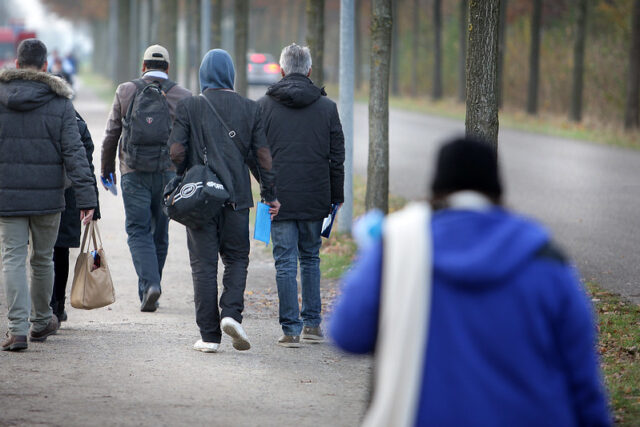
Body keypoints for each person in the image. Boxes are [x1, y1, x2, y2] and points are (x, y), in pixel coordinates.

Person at [330, 138, 611, 426]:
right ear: (497, 188)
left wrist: (369, 260)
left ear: (436, 189)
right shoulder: (546, 259)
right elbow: (583, 381)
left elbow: (347, 333)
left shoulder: (399, 246)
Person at [169, 49, 279, 353]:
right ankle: (231, 314)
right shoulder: (250, 108)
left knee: (203, 266)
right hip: (237, 200)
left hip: (201, 202)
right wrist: (270, 194)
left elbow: (177, 151)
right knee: (236, 259)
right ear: (231, 74)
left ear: (204, 75)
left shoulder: (190, 106)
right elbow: (263, 158)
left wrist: (182, 176)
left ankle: (208, 336)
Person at [0, 39, 96, 352]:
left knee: (13, 258)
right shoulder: (60, 103)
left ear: (16, 64)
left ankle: (17, 331)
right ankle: (41, 321)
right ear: (45, 66)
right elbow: (75, 152)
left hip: (8, 197)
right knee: (42, 259)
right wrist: (87, 198)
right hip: (49, 199)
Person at [257, 43, 344, 348]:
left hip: (278, 198)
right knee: (310, 258)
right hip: (315, 195)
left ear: (281, 70)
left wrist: (267, 191)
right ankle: (313, 325)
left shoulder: (263, 106)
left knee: (284, 261)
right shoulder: (328, 108)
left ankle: (289, 329)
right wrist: (337, 196)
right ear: (309, 70)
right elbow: (337, 157)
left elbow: (255, 154)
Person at [101, 44, 191, 312]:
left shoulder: (126, 90)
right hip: (168, 174)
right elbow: (190, 140)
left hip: (133, 172)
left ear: (143, 66)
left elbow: (111, 133)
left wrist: (107, 170)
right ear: (168, 68)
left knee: (138, 230)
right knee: (160, 233)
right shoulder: (182, 96)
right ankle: (153, 287)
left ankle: (149, 285)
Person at [50, 112, 101, 323]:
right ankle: (57, 306)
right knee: (59, 251)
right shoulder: (76, 123)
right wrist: (91, 202)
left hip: (32, 196)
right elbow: (85, 166)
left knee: (37, 253)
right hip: (67, 196)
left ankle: (43, 306)